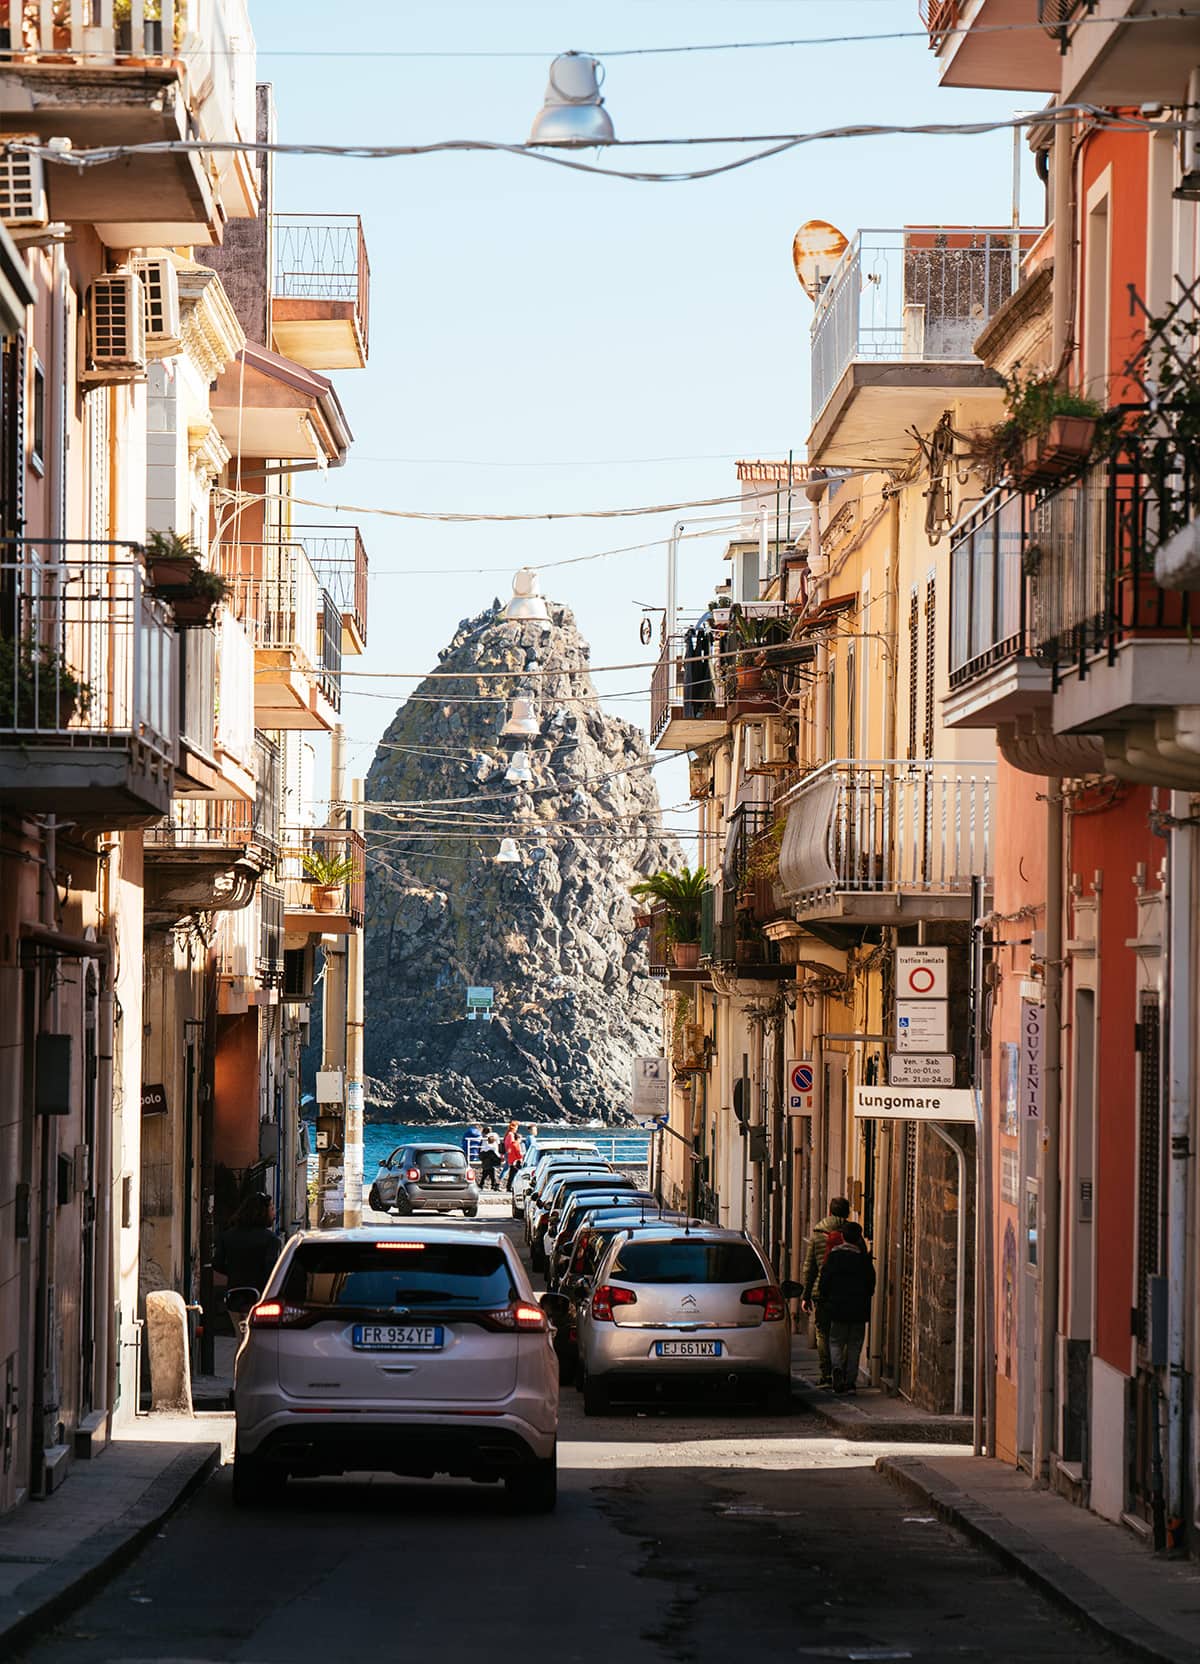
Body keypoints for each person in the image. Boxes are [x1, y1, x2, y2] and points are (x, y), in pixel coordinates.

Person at [816, 1220, 876, 1394]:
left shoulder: (834, 1258)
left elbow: (824, 1282)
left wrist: (826, 1298)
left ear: (842, 1236)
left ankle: (837, 1368)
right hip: (858, 1308)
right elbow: (870, 1284)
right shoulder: (863, 1261)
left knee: (835, 1341)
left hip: (837, 1307)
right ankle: (850, 1382)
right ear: (858, 1238)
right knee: (855, 1344)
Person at [800, 1195, 852, 1388]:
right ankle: (843, 1370)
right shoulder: (851, 1234)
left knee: (823, 1332)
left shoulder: (817, 1234)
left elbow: (810, 1267)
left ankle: (826, 1372)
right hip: (846, 1291)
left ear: (829, 1212)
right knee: (844, 1333)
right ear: (847, 1213)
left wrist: (806, 1295)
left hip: (821, 1291)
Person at [213, 1191, 283, 1303]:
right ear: (263, 1212)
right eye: (272, 1209)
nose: (274, 1215)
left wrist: (234, 1271)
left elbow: (217, 1264)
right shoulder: (271, 1239)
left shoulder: (227, 1236)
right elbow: (271, 1269)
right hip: (260, 1295)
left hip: (234, 1295)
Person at [502, 1120, 524, 1191]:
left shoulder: (508, 1133)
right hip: (511, 1155)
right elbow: (513, 1146)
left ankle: (506, 1185)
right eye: (517, 1127)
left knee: (509, 1170)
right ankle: (500, 1183)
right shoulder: (511, 1135)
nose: (517, 1128)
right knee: (510, 1171)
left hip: (508, 1154)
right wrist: (520, 1157)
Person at [479, 1126, 502, 1191]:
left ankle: (483, 1184)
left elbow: (481, 1149)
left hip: (486, 1157)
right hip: (492, 1158)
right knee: (490, 1171)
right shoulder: (495, 1136)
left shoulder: (484, 1139)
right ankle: (493, 1185)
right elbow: (498, 1144)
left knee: (487, 1171)